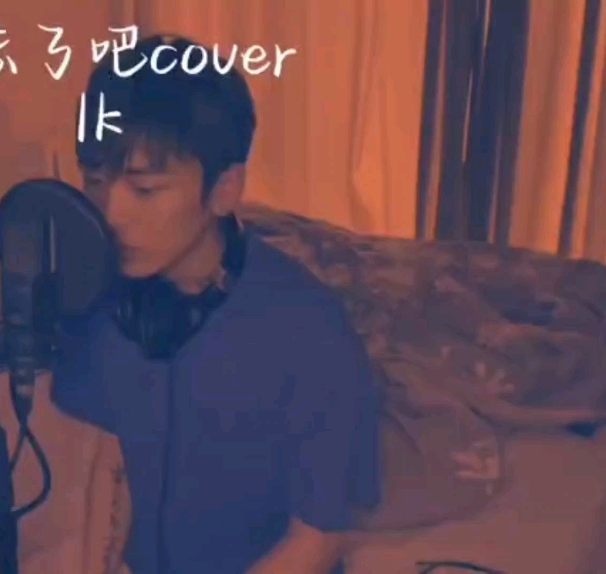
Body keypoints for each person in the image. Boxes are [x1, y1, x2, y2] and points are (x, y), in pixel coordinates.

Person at [52, 34, 382, 574]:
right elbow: (105, 460)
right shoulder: (107, 301)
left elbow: (319, 540)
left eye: (146, 190)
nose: (111, 214)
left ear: (225, 189)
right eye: (96, 181)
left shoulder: (310, 332)